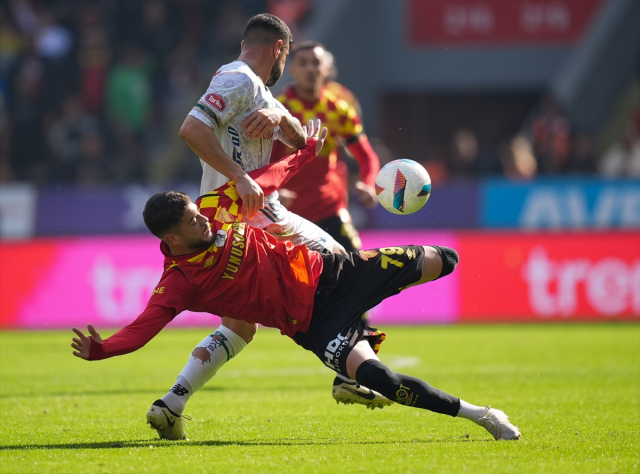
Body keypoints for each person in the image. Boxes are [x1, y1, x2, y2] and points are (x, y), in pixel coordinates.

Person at [71, 120, 521, 442]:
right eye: (192, 221)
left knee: (446, 260)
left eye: (197, 210)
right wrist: (103, 349)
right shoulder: (178, 283)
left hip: (338, 273)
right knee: (379, 378)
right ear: (172, 238)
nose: (203, 219)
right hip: (313, 327)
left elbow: (264, 180)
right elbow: (141, 328)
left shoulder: (214, 209)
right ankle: (483, 416)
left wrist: (304, 154)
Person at [170, 12, 388, 436]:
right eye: (296, 58)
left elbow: (299, 138)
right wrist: (241, 176)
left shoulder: (258, 88)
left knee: (238, 326)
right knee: (340, 259)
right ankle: (349, 372)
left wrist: (276, 118)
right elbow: (191, 128)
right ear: (281, 50)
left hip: (226, 222)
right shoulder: (239, 80)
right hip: (255, 210)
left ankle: (171, 403)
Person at [270, 41, 380, 252]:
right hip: (288, 212)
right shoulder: (278, 109)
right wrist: (274, 191)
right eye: (303, 63)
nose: (310, 68)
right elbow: (267, 159)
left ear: (326, 68)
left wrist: (368, 183)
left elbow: (366, 156)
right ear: (291, 69)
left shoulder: (339, 110)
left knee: (354, 268)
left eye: (316, 63)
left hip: (330, 208)